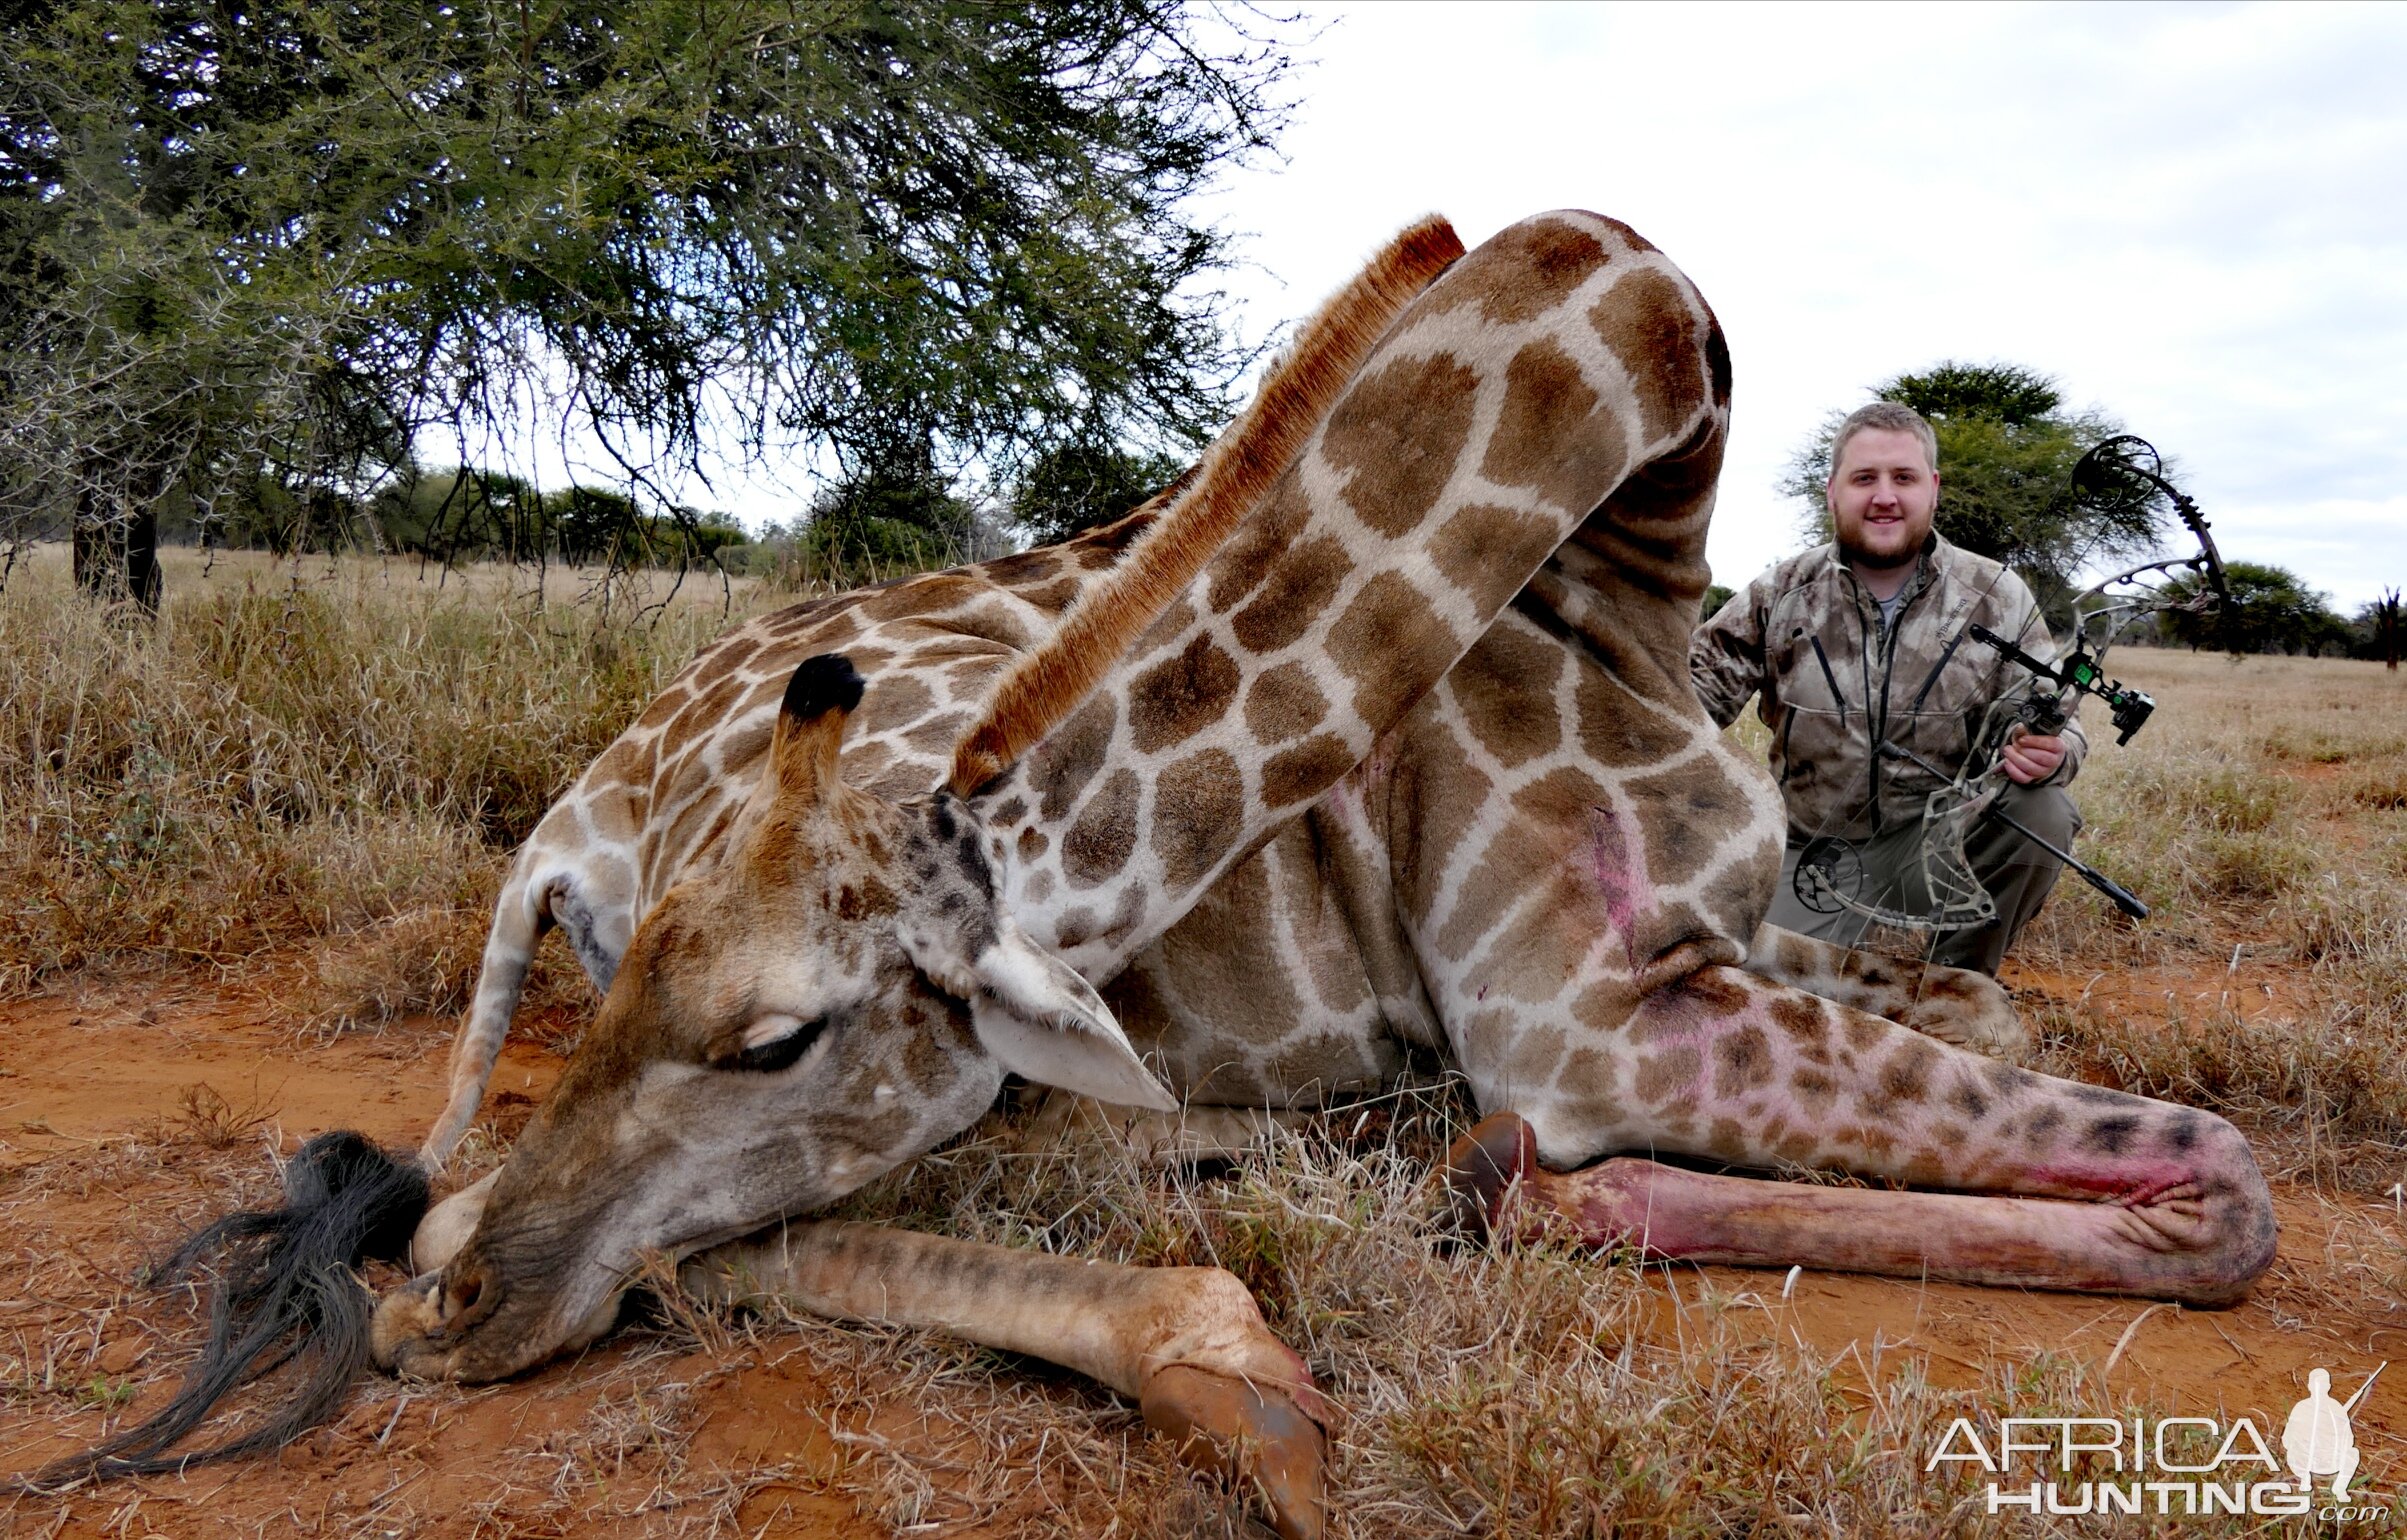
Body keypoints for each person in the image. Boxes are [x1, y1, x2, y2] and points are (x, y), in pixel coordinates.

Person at [1690, 401, 2086, 975]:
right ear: (1833, 491)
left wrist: (2052, 753)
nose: (1884, 497)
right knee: (1769, 986)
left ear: (1933, 488)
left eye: (1903, 478)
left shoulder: (1997, 593)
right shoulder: (1779, 592)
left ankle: (1957, 979)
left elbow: (2054, 720)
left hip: (1939, 844)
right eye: (1864, 478)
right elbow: (1688, 703)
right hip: (1811, 852)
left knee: (2043, 811)